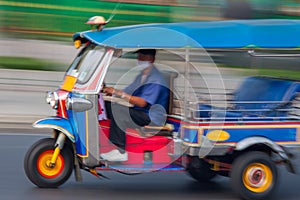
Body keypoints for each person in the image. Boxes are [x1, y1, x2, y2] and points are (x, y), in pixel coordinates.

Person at [100, 49, 169, 162]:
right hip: (140, 112)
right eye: (139, 57)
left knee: (119, 112)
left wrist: (119, 93)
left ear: (152, 59)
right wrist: (110, 91)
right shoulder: (142, 76)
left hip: (151, 117)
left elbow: (142, 102)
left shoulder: (156, 79)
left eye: (143, 57)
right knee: (107, 106)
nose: (139, 60)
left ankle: (120, 151)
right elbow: (128, 92)